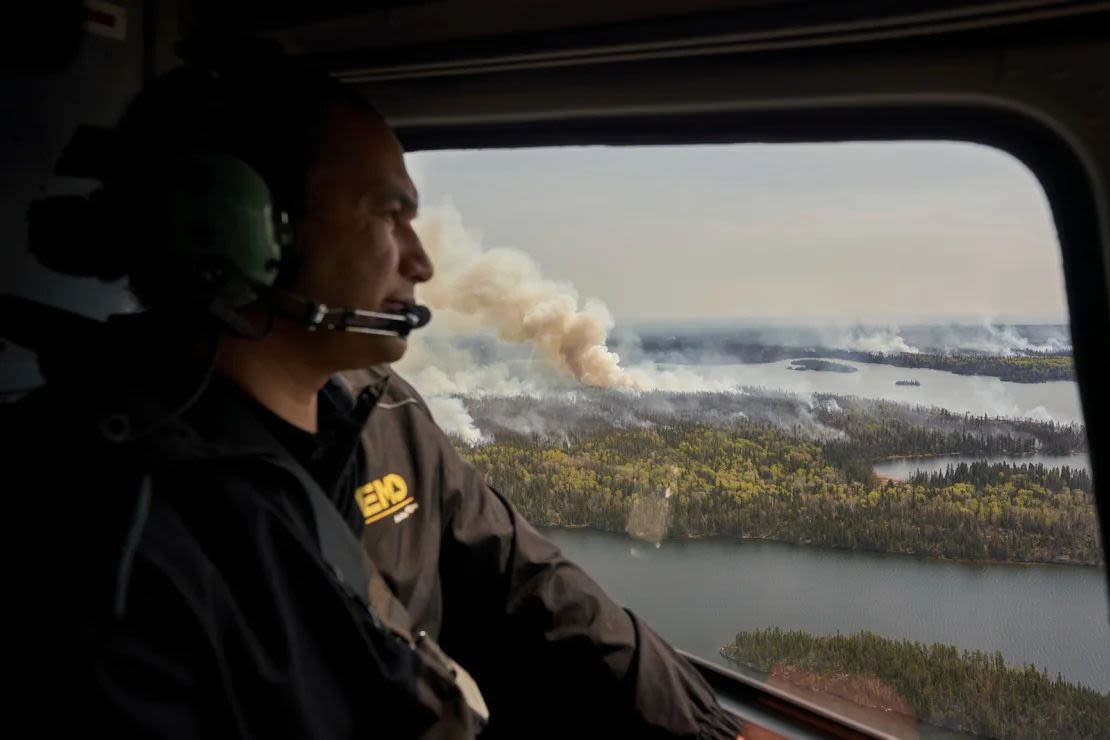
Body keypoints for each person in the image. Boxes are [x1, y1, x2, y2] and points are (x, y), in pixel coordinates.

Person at [7, 44, 745, 740]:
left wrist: (715, 731)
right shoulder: (101, 533)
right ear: (244, 233)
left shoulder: (381, 408)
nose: (422, 262)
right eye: (390, 215)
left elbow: (529, 585)